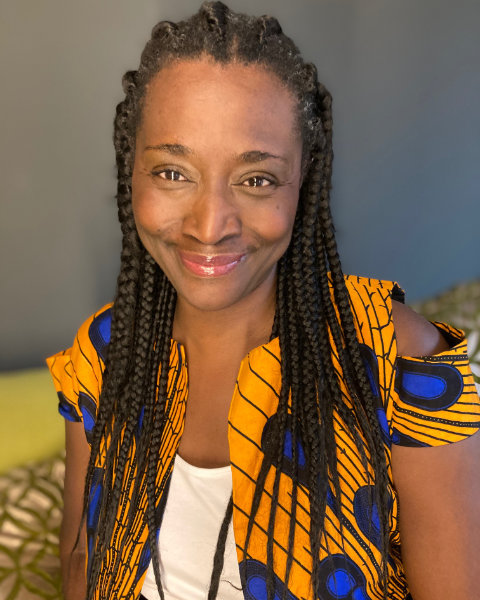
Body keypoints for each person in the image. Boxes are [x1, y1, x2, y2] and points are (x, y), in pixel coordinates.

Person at [46, 2, 480, 599]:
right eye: (172, 172)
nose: (209, 226)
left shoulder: (397, 357)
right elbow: (81, 566)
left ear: (304, 180)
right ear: (132, 173)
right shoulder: (101, 354)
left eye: (256, 180)